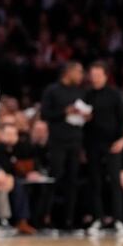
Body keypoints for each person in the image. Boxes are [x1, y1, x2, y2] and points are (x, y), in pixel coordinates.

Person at [40, 61, 88, 230]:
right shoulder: (52, 90)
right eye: (79, 71)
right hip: (57, 142)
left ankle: (69, 221)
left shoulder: (80, 92)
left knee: (73, 182)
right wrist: (64, 112)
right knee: (54, 179)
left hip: (75, 141)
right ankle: (45, 219)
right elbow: (45, 114)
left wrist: (86, 115)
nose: (81, 76)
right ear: (68, 72)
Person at [84, 61, 123, 235]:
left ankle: (118, 220)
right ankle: (98, 219)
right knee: (95, 182)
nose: (94, 78)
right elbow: (84, 123)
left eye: (97, 75)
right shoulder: (87, 95)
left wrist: (122, 140)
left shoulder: (115, 94)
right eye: (92, 75)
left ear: (105, 75)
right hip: (93, 144)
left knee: (115, 182)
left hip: (113, 144)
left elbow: (122, 119)